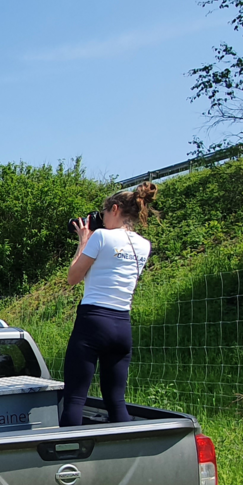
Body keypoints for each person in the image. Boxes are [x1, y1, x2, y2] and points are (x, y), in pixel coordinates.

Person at [62, 182, 158, 427]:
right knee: (116, 400)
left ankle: (67, 456)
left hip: (93, 321)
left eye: (104, 213)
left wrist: (83, 240)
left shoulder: (102, 236)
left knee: (75, 398)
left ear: (114, 209)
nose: (102, 218)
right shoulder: (144, 245)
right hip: (121, 325)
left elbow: (73, 278)